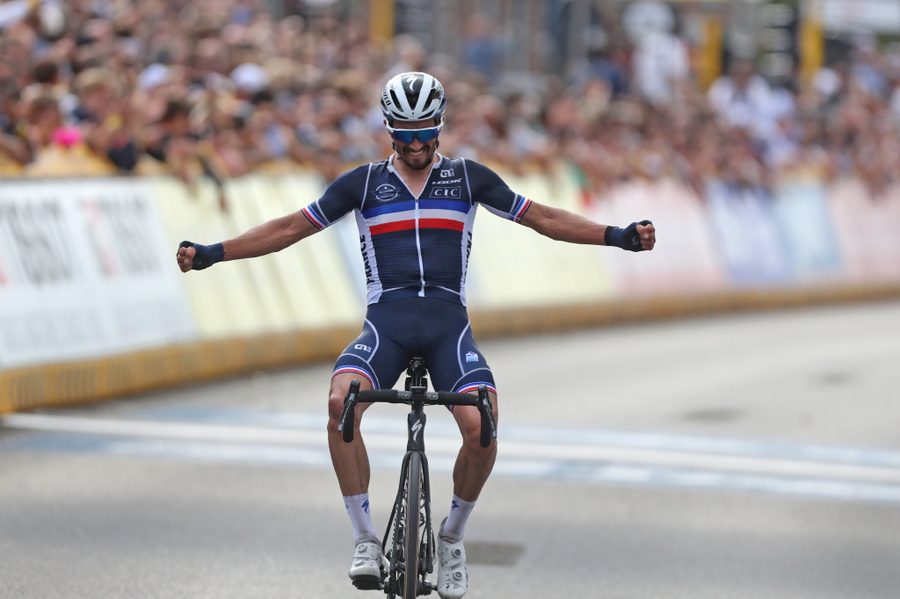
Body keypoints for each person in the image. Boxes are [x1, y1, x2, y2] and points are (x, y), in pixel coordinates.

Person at [176, 71, 656, 598]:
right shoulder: (362, 184)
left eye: (424, 132)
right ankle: (365, 540)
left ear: (440, 126)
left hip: (449, 330)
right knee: (340, 403)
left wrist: (617, 236)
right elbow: (289, 228)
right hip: (386, 327)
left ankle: (451, 538)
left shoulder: (468, 178)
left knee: (484, 426)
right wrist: (214, 253)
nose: (415, 144)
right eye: (404, 134)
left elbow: (541, 217)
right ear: (388, 130)